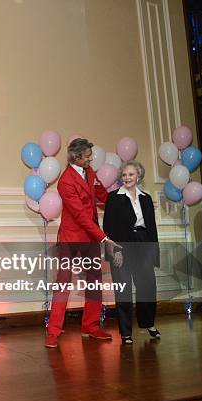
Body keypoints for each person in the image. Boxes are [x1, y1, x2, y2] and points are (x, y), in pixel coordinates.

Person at [45, 138, 120, 348]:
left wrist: (125, 200)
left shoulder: (90, 172)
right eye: (88, 156)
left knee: (95, 280)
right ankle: (53, 331)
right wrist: (104, 237)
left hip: (90, 237)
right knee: (63, 282)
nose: (91, 159)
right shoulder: (65, 181)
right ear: (76, 157)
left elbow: (103, 196)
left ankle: (91, 326)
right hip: (71, 237)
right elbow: (80, 216)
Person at [103, 160, 160, 345]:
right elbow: (108, 228)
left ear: (138, 176)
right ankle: (126, 332)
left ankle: (149, 324)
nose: (127, 177)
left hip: (143, 245)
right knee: (124, 290)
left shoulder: (145, 198)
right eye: (124, 175)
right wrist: (115, 251)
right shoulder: (113, 198)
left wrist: (153, 252)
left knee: (148, 287)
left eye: (131, 174)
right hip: (122, 247)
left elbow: (152, 228)